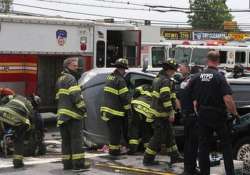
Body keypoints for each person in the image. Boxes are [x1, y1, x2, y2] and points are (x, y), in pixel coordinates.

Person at [188, 51, 239, 175]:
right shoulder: (219, 77)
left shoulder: (197, 77)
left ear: (207, 60)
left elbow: (190, 97)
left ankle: (204, 173)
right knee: (226, 146)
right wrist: (235, 113)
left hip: (203, 115)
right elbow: (227, 99)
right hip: (218, 116)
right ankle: (230, 173)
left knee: (204, 146)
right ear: (218, 61)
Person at [143, 59, 183, 166]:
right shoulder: (165, 80)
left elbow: (170, 95)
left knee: (170, 135)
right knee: (158, 138)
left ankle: (175, 157)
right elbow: (165, 97)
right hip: (160, 115)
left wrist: (175, 104)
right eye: (173, 70)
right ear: (169, 70)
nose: (174, 72)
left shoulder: (159, 78)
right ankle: (147, 159)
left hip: (160, 114)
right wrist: (171, 112)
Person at [56, 57, 90, 171]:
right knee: (76, 141)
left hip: (62, 116)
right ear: (68, 66)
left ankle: (67, 164)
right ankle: (79, 165)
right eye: (74, 66)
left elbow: (58, 97)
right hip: (73, 116)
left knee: (66, 141)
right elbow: (75, 95)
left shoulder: (60, 79)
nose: (77, 68)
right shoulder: (71, 78)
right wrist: (83, 108)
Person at [100, 58, 131, 157]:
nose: (125, 71)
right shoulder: (120, 80)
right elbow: (124, 97)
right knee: (116, 133)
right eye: (124, 69)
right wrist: (128, 109)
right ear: (122, 69)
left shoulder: (110, 77)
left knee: (113, 132)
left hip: (107, 110)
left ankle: (114, 150)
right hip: (115, 111)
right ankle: (114, 152)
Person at [177, 64, 201, 175]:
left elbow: (178, 99)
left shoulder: (183, 82)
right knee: (193, 144)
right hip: (193, 117)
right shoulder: (194, 83)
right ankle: (191, 169)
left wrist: (182, 112)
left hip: (185, 116)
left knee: (187, 144)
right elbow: (195, 102)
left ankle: (187, 168)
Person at [0, 93, 33, 168]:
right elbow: (30, 124)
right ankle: (17, 162)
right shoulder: (31, 107)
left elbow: (4, 99)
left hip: (1, 112)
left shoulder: (17, 96)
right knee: (19, 140)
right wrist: (23, 137)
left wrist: (3, 106)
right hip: (17, 119)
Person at [128, 82, 154, 154]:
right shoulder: (156, 89)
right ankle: (146, 149)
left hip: (137, 106)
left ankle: (133, 149)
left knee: (134, 127)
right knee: (146, 128)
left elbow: (136, 92)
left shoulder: (144, 85)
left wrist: (132, 99)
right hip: (148, 110)